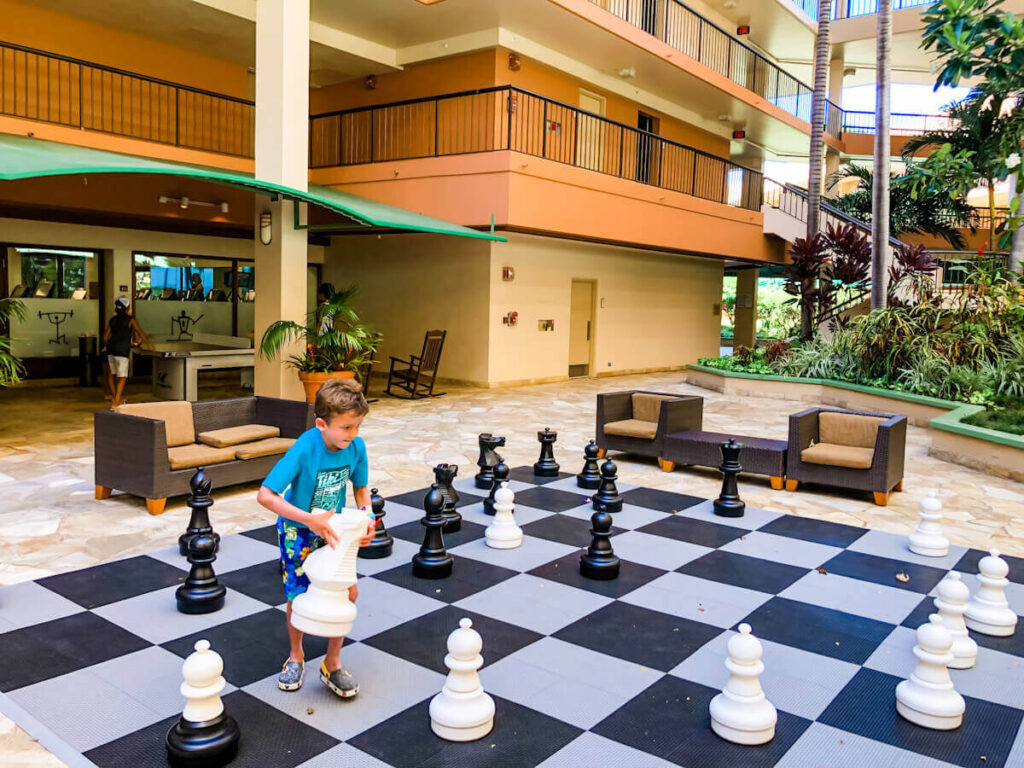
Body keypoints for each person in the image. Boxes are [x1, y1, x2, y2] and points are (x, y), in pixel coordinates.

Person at [256, 378, 376, 698]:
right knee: (298, 597)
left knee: (347, 594)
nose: (353, 436)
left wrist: (368, 517)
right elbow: (266, 495)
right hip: (297, 531)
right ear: (322, 423)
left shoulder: (356, 447)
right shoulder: (305, 448)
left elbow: (361, 490)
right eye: (346, 428)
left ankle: (332, 662)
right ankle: (296, 656)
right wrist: (310, 519)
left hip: (333, 530)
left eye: (358, 427)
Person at [103, 296, 152, 408]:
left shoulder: (112, 320)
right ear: (127, 307)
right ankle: (115, 403)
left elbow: (105, 337)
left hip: (111, 350)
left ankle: (117, 399)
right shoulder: (131, 319)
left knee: (112, 375)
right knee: (122, 377)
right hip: (122, 351)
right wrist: (149, 344)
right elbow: (141, 333)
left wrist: (108, 346)